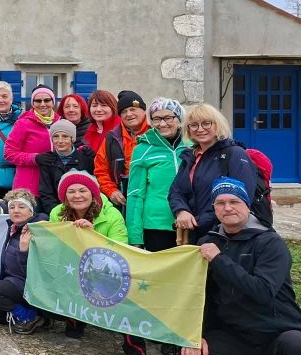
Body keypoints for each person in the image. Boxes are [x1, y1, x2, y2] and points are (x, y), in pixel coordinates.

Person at [182, 177, 301, 355]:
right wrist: (197, 333)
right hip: (237, 335)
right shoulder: (209, 242)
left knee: (300, 347)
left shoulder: (270, 243)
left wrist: (219, 260)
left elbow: (262, 292)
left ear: (247, 205)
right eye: (220, 203)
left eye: (234, 201)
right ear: (214, 209)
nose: (227, 208)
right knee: (188, 354)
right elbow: (203, 295)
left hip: (277, 333)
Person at [49, 171, 138, 355]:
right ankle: (75, 320)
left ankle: (135, 350)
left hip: (106, 271)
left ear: (93, 193)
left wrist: (92, 237)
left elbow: (121, 251)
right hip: (74, 267)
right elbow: (54, 246)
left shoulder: (111, 215)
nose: (77, 195)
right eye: (71, 191)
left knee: (129, 298)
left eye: (83, 190)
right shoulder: (57, 213)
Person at [169, 103, 258, 242]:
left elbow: (242, 199)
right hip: (195, 233)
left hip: (224, 234)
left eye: (206, 123)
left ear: (217, 125)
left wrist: (197, 222)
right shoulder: (190, 156)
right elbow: (176, 191)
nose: (200, 129)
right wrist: (181, 211)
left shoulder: (235, 154)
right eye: (194, 125)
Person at [127, 98, 191, 251]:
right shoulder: (142, 149)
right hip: (156, 227)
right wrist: (135, 237)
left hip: (192, 222)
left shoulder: (192, 146)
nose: (162, 124)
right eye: (156, 119)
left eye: (168, 118)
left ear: (179, 118)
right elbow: (135, 194)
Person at [0, 188, 48, 332]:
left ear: (31, 211)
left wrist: (24, 251)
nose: (16, 210)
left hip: (29, 285)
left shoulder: (37, 231)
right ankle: (38, 316)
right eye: (12, 207)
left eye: (21, 207)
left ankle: (31, 316)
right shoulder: (13, 228)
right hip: (13, 280)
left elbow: (36, 273)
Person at [94, 90, 150, 212]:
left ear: (143, 110)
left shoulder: (155, 135)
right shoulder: (112, 138)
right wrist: (111, 191)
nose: (129, 114)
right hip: (121, 200)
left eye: (133, 109)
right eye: (124, 111)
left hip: (151, 198)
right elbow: (100, 169)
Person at [3, 85, 59, 196]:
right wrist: (34, 158)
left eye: (47, 100)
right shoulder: (23, 123)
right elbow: (9, 153)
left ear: (53, 102)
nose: (42, 104)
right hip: (28, 187)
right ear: (33, 103)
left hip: (53, 185)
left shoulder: (60, 122)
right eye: (38, 101)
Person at [36, 119, 95, 216]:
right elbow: (46, 192)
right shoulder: (47, 160)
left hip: (83, 210)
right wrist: (57, 214)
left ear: (72, 138)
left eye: (65, 136)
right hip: (58, 212)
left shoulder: (85, 158)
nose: (60, 141)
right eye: (56, 136)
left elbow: (92, 189)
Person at [83, 90, 120, 159]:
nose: (98, 109)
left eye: (104, 105)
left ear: (113, 107)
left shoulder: (121, 130)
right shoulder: (90, 131)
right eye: (94, 106)